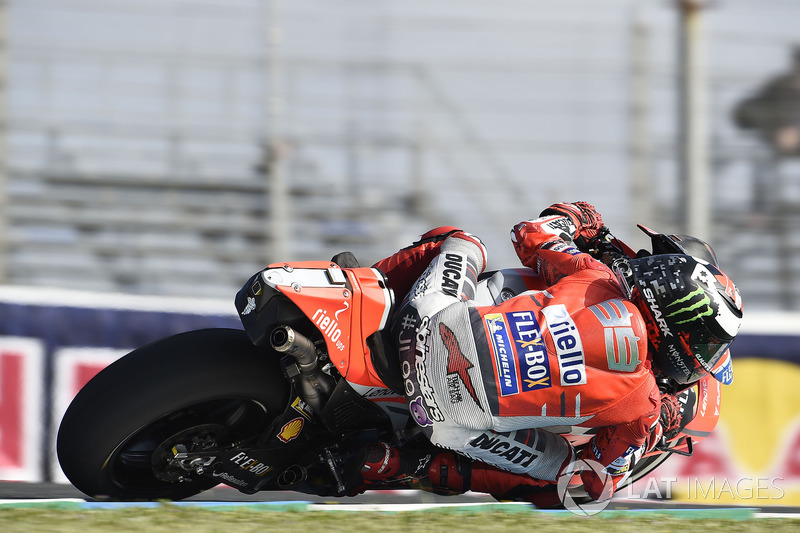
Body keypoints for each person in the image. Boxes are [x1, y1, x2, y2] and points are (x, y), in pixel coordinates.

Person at [356, 201, 743, 506]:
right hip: (443, 421)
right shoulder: (643, 408)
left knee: (462, 241)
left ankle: (361, 293)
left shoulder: (597, 277)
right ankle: (404, 464)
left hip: (420, 327)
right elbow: (596, 480)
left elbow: (527, 233)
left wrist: (577, 217)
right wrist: (649, 434)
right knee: (569, 476)